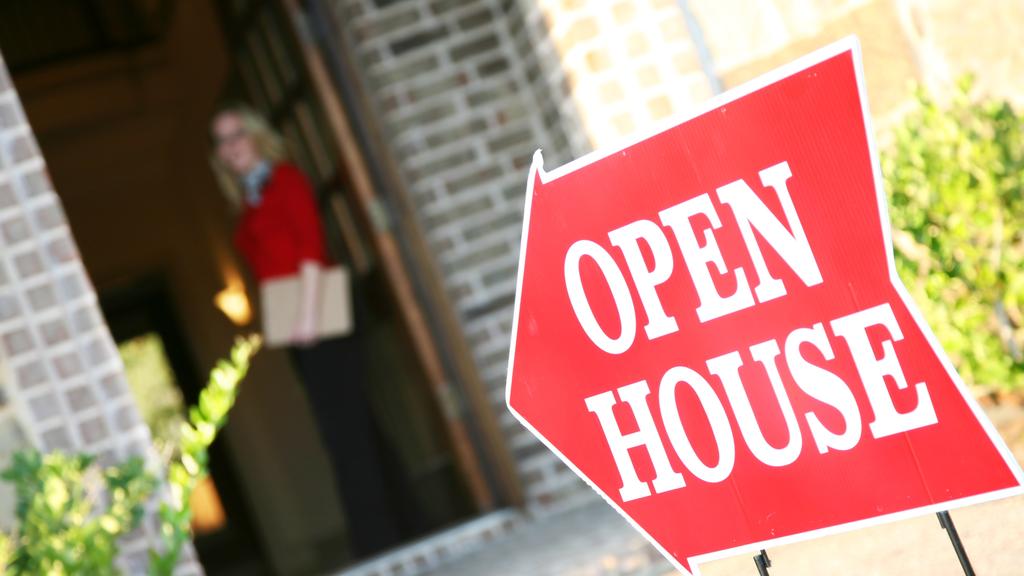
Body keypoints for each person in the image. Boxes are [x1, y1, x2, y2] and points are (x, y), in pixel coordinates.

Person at [209, 103, 401, 559]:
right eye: (220, 141)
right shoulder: (249, 200)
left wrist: (309, 317)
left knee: (343, 434)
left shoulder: (286, 179)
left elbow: (311, 247)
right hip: (298, 320)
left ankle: (376, 545)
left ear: (255, 135)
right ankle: (404, 527)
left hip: (320, 314)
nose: (229, 146)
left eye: (236, 134)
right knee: (356, 426)